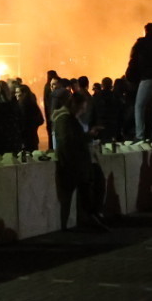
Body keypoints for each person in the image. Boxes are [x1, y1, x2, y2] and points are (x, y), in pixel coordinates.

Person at [52, 89, 106, 230]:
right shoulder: (65, 120)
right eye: (82, 108)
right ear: (74, 105)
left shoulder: (68, 119)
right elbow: (69, 142)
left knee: (90, 187)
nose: (83, 111)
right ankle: (88, 219)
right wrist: (88, 136)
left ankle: (89, 218)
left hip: (75, 163)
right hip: (73, 164)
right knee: (87, 190)